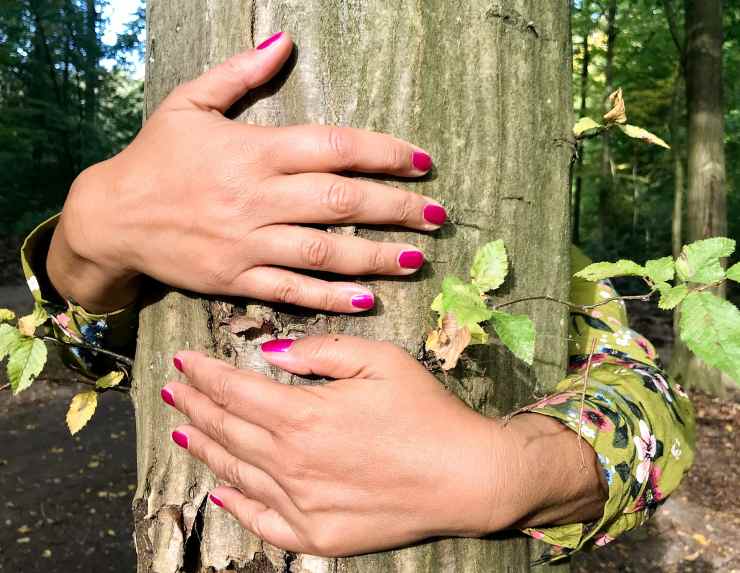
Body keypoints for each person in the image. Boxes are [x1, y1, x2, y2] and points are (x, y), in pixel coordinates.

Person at [20, 33, 694, 562]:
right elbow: (98, 358)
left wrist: (513, 473)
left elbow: (653, 401)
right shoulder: (172, 146)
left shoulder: (535, 240)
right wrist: (86, 239)